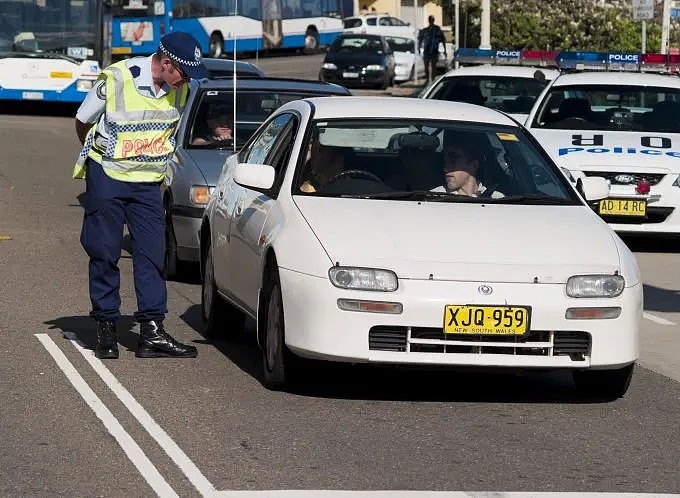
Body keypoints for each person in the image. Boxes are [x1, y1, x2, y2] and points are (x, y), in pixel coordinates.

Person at [73, 32, 208, 359]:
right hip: (109, 176)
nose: (187, 82)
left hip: (148, 183)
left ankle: (151, 331)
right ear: (166, 63)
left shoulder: (181, 89)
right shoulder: (118, 78)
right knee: (104, 251)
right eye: (184, 73)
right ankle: (106, 325)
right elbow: (82, 121)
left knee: (151, 254)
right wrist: (101, 160)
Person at [432, 144, 504, 198]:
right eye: (445, 162)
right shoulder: (434, 197)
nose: (446, 169)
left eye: (453, 160)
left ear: (474, 165)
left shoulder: (497, 198)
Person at [418, 15, 446, 84]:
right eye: (430, 20)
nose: (431, 21)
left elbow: (443, 39)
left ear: (434, 20)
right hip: (427, 51)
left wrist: (444, 50)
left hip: (434, 50)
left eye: (432, 20)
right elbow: (420, 39)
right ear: (428, 21)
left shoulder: (437, 29)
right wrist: (418, 48)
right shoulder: (425, 30)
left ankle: (433, 80)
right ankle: (427, 79)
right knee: (426, 66)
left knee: (434, 66)